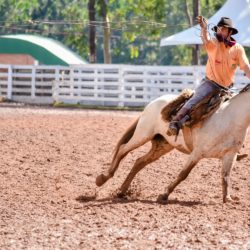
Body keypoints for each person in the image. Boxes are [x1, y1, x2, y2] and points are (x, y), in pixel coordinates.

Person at [167, 16, 250, 136]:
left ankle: (233, 140)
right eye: (218, 29)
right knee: (195, 99)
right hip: (210, 84)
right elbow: (206, 40)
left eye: (223, 29)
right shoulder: (214, 43)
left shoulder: (238, 49)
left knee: (236, 111)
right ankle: (175, 121)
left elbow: (246, 67)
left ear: (230, 32)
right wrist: (204, 29)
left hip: (228, 88)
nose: (219, 31)